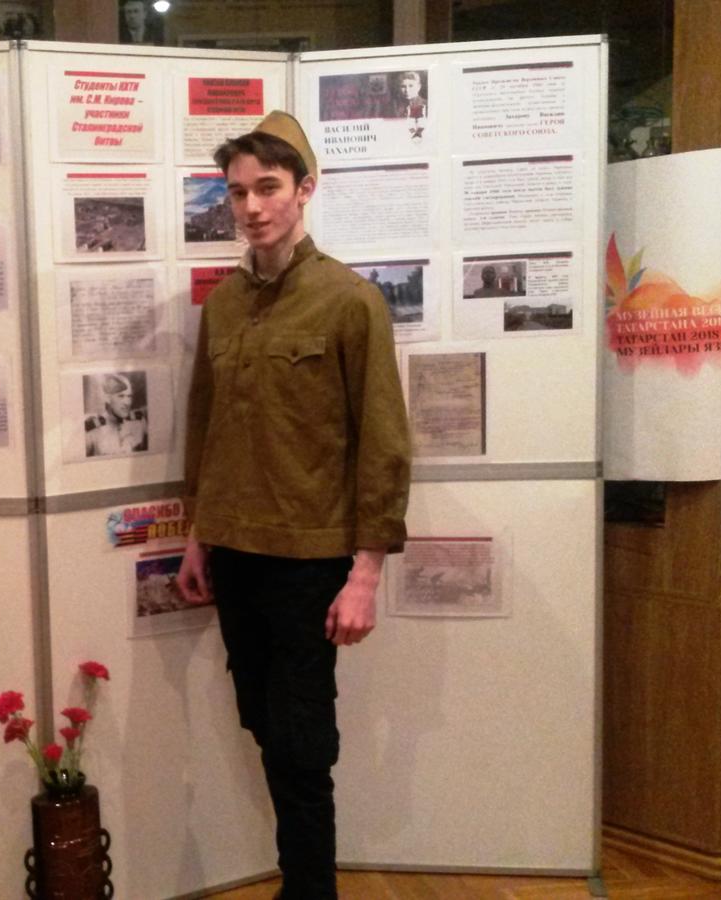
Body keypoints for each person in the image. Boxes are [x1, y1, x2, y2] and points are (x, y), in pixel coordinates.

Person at [176, 110, 411, 899]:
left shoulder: (349, 301)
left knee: (303, 741)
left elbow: (383, 441)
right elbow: (206, 428)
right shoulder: (223, 305)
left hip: (310, 560)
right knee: (262, 720)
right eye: (238, 192)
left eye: (268, 188)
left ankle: (311, 891)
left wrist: (366, 574)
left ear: (305, 190)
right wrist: (199, 536)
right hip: (236, 553)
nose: (251, 207)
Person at [84, 373, 148, 457]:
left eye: (129, 396)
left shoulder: (138, 422)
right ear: (107, 398)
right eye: (121, 396)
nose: (127, 402)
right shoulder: (93, 430)